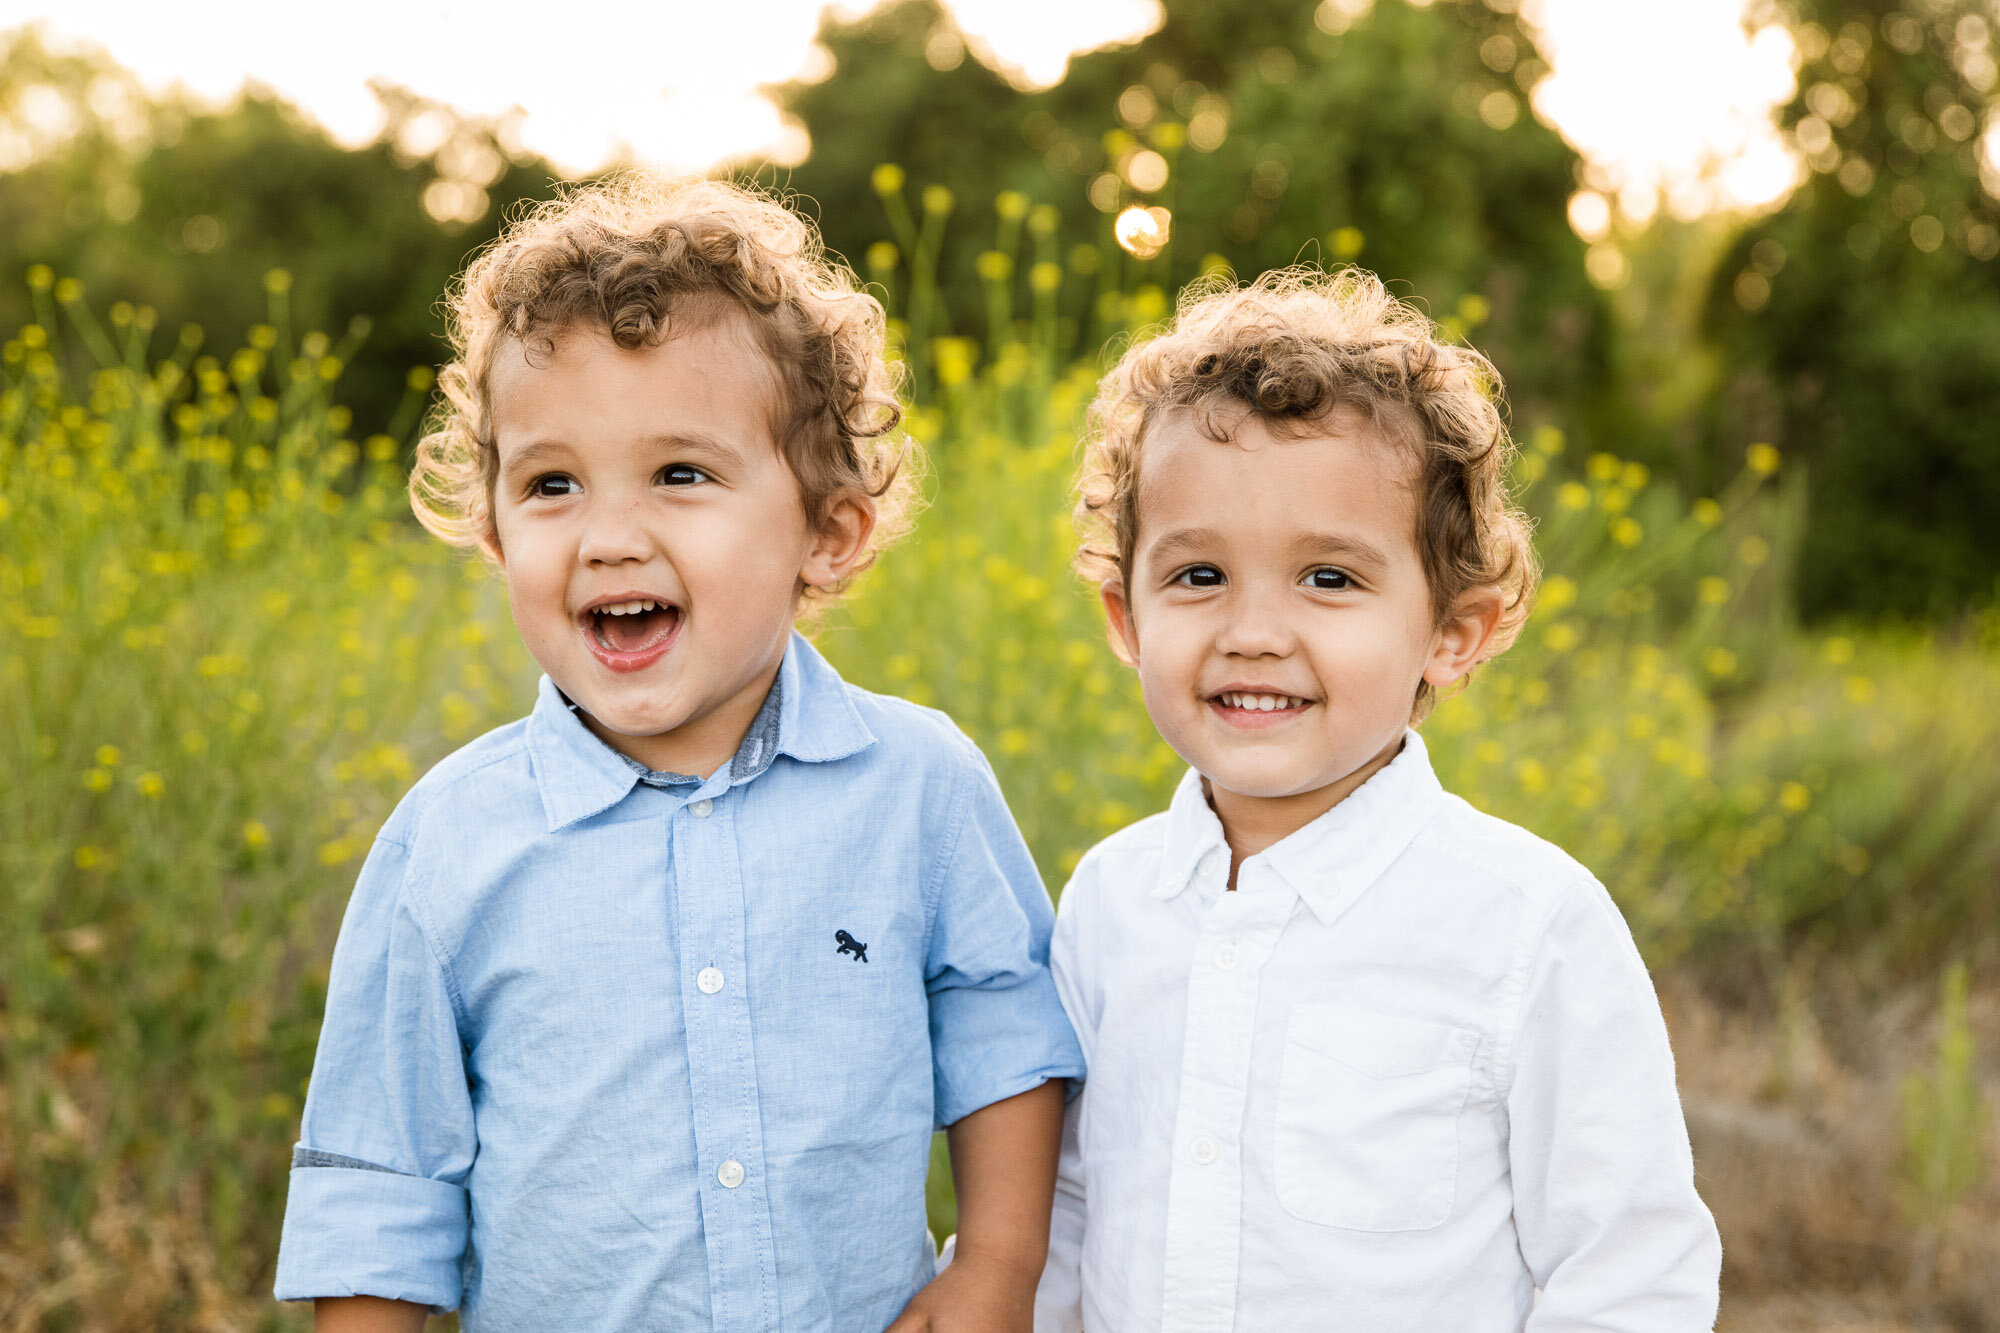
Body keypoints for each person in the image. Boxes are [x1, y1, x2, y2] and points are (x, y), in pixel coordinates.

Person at [273, 175, 1083, 1333]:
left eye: (680, 474)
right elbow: (383, 1177)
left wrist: (995, 1269)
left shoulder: (919, 786)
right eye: (551, 484)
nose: (609, 536)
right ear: (495, 534)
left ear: (826, 531)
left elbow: (1003, 1033)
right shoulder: (450, 840)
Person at [1035, 269, 1721, 1332]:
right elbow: (1070, 1215)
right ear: (1124, 617)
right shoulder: (1107, 902)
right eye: (1197, 576)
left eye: (1328, 579)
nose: (1253, 630)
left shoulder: (1527, 924)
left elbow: (1626, 1266)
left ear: (1453, 629)